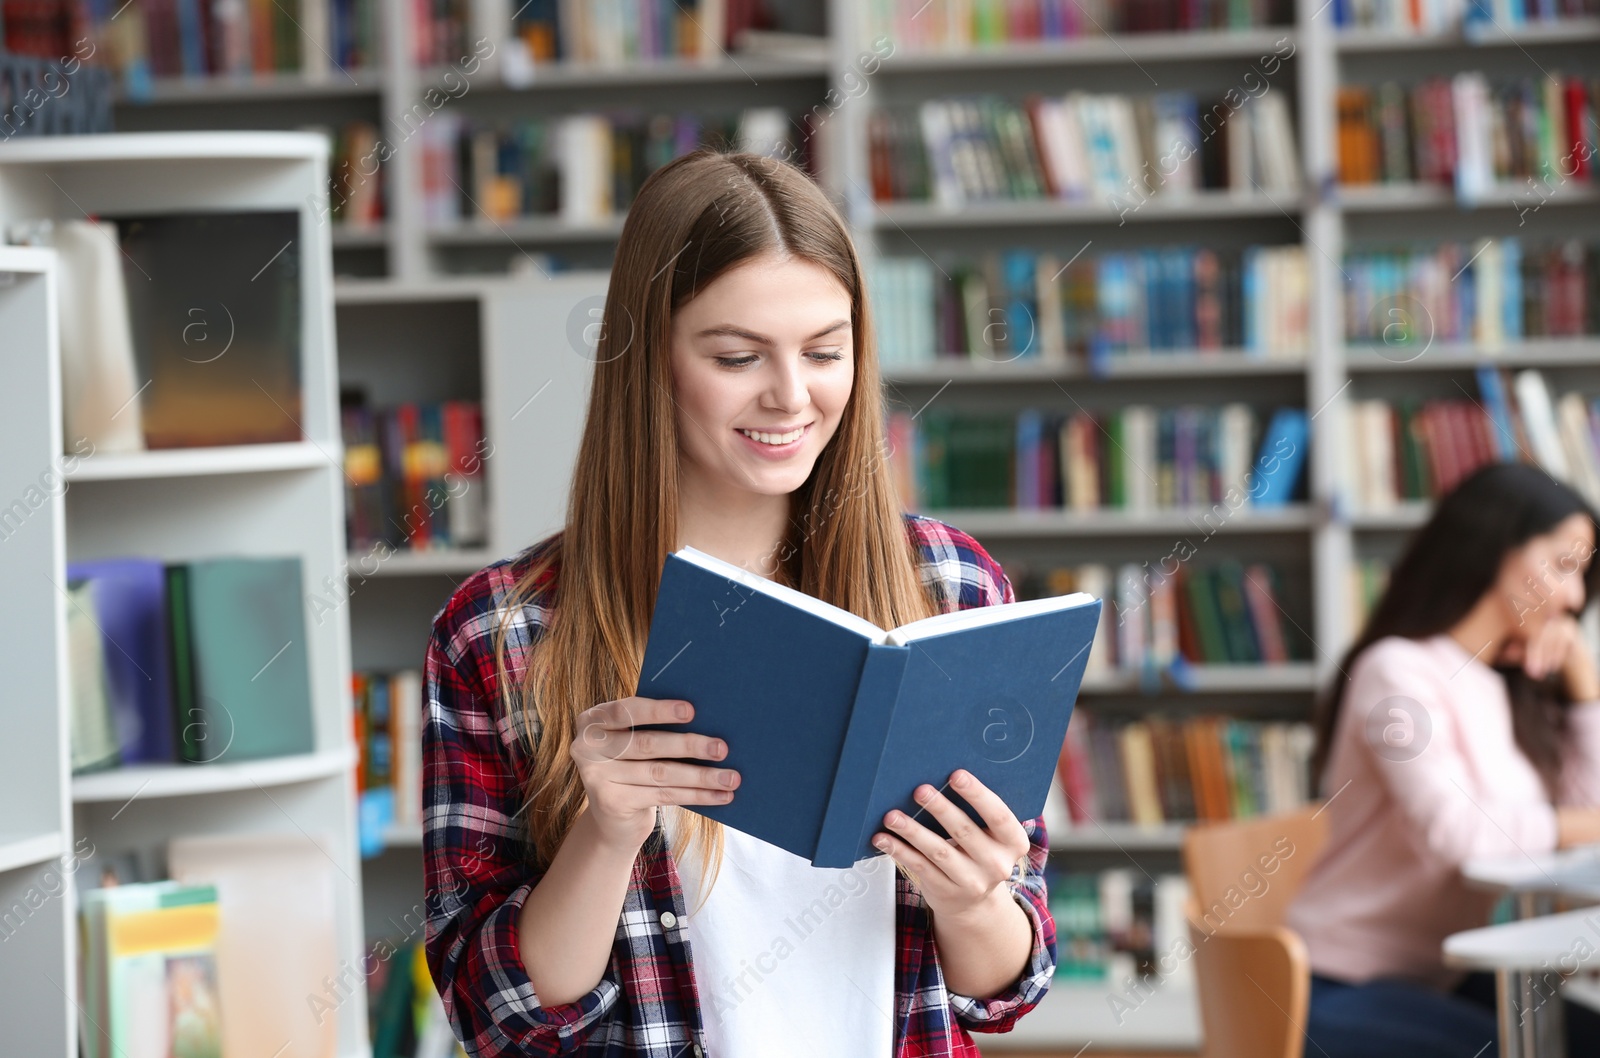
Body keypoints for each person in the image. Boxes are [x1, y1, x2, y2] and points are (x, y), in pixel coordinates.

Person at [419, 148, 1057, 1057]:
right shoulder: (504, 632)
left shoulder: (949, 590)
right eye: (736, 356)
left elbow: (1009, 991)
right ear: (649, 360)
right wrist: (604, 837)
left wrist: (975, 898)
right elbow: (493, 1015)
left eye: (825, 352)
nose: (791, 397)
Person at [1286, 461, 1600, 1058]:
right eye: (1564, 564)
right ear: (1495, 546)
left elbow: (1583, 822)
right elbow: (1459, 837)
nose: (1576, 596)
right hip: (1337, 982)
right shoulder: (1397, 673)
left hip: (1437, 973)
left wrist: (1585, 687)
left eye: (1582, 574)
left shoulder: (1507, 684)